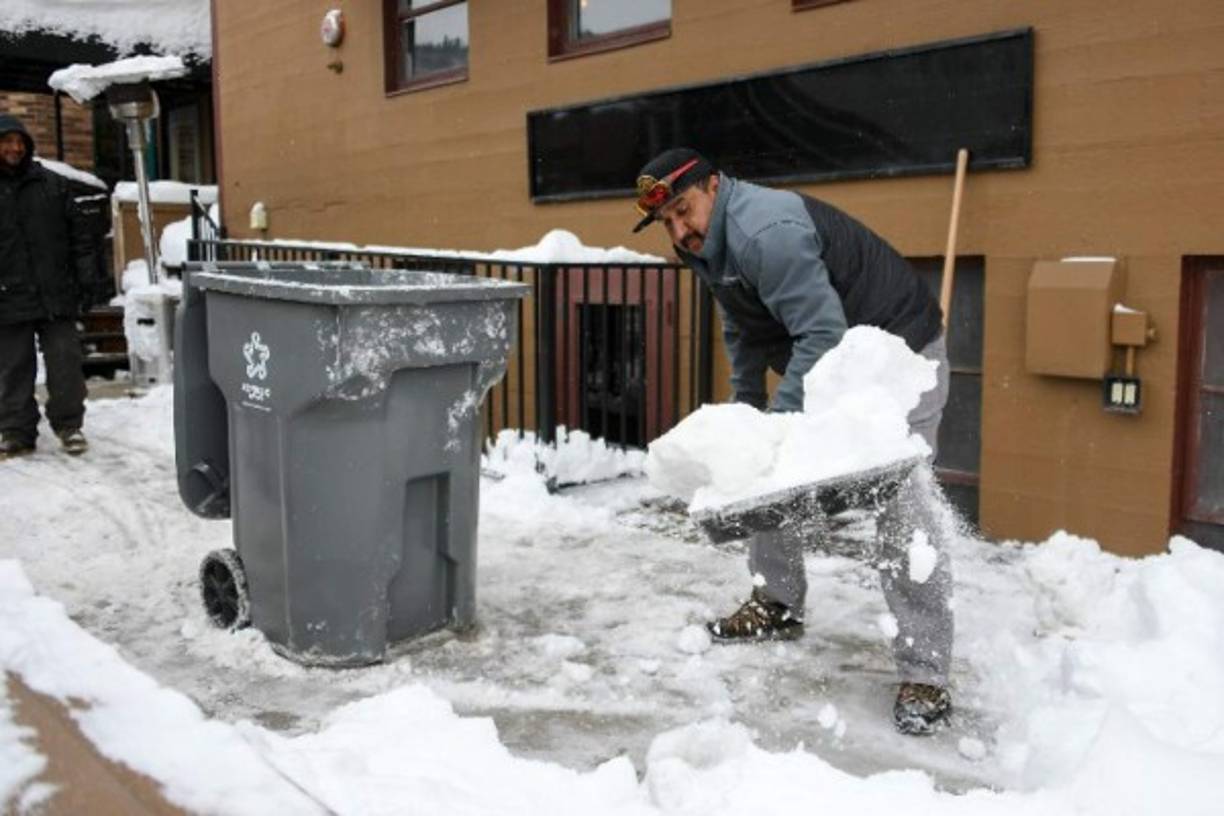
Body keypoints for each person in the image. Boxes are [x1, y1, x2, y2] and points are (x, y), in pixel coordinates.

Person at [632, 147, 955, 735]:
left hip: (902, 356)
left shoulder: (765, 232)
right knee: (759, 466)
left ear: (713, 185)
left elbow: (821, 332)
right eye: (667, 223)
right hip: (835, 357)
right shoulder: (708, 243)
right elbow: (743, 326)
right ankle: (776, 602)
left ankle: (926, 670)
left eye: (684, 210)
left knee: (903, 506)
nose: (680, 231)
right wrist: (749, 412)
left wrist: (778, 423)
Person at [0, 113, 97, 460]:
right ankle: (16, 431)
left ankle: (70, 425)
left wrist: (87, 281)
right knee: (12, 368)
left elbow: (80, 237)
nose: (14, 148)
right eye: (7, 142)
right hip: (8, 297)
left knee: (66, 362)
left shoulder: (53, 185)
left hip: (56, 292)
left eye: (19, 142)